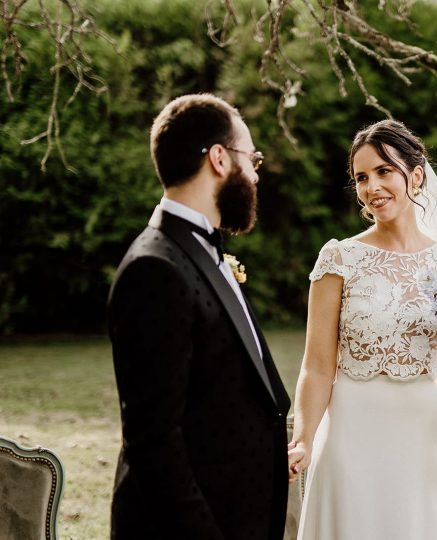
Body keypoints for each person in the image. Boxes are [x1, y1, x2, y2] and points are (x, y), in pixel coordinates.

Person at [287, 120, 437, 540]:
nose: (372, 186)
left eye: (384, 171)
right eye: (361, 177)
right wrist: (302, 439)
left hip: (423, 445)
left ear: (416, 175)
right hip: (350, 442)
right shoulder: (340, 258)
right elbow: (316, 367)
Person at [107, 93, 291, 539]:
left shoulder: (199, 252)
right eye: (253, 159)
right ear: (220, 159)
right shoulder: (155, 268)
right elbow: (153, 441)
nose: (255, 173)